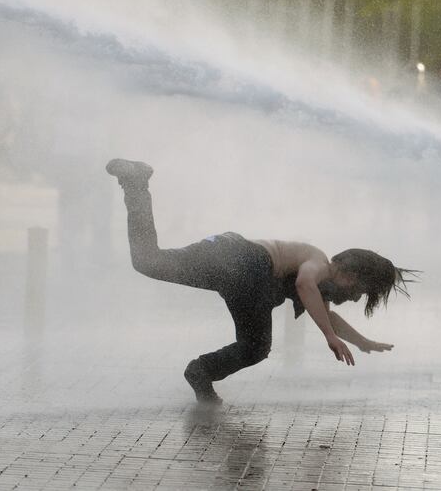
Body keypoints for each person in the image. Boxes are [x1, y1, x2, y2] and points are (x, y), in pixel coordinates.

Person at [105, 159, 415, 404]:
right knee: (256, 346)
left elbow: (327, 314)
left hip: (226, 255)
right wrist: (330, 339)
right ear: (349, 273)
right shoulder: (317, 262)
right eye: (359, 291)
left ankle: (136, 184)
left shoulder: (322, 279)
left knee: (148, 261)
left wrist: (362, 342)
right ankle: (201, 371)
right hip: (247, 264)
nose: (356, 298)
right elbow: (306, 286)